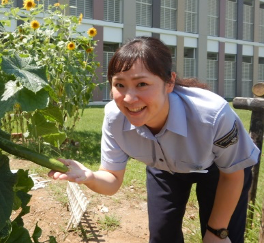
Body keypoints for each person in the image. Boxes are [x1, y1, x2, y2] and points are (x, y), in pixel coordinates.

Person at [48, 37, 260, 243]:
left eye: (141, 84)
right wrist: (90, 177)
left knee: (221, 236)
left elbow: (232, 175)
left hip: (217, 169)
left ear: (169, 82)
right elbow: (111, 180)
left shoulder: (212, 115)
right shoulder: (114, 117)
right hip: (164, 169)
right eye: (119, 85)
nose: (129, 99)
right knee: (161, 237)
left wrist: (217, 231)